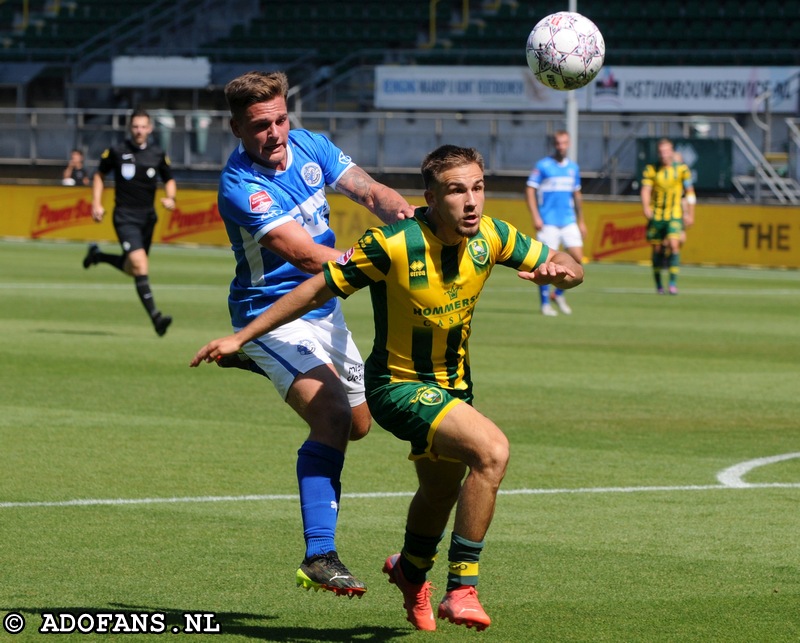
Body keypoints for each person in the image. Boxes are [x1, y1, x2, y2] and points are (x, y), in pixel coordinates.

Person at [190, 144, 584, 630]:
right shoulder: (391, 244)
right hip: (397, 387)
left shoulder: (493, 236)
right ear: (431, 198)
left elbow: (565, 261)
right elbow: (315, 288)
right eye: (456, 190)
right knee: (492, 452)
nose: (471, 202)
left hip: (454, 388)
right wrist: (242, 338)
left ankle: (410, 570)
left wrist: (565, 273)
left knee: (440, 493)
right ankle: (462, 587)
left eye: (478, 188)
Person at [209, 70, 415, 598]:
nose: (275, 133)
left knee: (359, 426)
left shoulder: (309, 145)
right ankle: (319, 555)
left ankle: (256, 362)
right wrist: (381, 260)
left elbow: (368, 191)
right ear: (236, 128)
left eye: (280, 119)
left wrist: (407, 217)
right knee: (332, 415)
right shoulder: (240, 187)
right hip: (273, 313)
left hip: (326, 306)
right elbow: (302, 254)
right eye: (260, 126)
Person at [83, 108, 176, 336]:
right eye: (135, 126)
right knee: (140, 266)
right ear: (130, 128)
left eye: (143, 126)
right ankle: (156, 317)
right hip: (125, 217)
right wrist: (96, 203)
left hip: (148, 219)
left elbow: (169, 179)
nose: (139, 131)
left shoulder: (157, 153)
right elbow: (98, 175)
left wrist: (170, 198)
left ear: (150, 129)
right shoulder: (117, 151)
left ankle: (98, 255)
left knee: (132, 267)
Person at [525, 130, 585, 316]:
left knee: (577, 259)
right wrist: (536, 216)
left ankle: (558, 293)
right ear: (554, 144)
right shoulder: (543, 166)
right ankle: (545, 304)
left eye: (564, 143)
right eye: (558, 143)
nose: (561, 146)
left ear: (569, 144)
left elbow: (576, 195)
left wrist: (581, 221)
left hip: (568, 221)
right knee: (545, 262)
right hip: (548, 222)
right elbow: (530, 190)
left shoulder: (573, 168)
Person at [640, 138, 695, 295]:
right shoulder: (651, 169)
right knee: (657, 249)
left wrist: (691, 213)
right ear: (658, 153)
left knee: (674, 243)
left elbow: (690, 193)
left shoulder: (682, 170)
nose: (664, 155)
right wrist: (645, 207)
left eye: (666, 151)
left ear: (672, 152)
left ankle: (672, 284)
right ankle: (659, 285)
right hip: (657, 215)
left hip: (674, 215)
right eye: (661, 152)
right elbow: (645, 190)